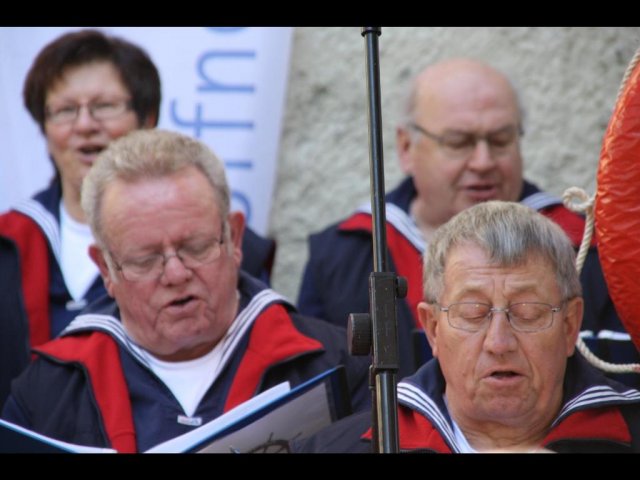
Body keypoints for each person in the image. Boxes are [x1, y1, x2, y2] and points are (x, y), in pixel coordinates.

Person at [1, 129, 369, 452]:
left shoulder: (338, 367)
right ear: (106, 269)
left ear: (234, 237)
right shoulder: (47, 393)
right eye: (145, 259)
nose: (176, 274)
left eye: (195, 247)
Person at [297, 57, 636, 380]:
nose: (483, 161)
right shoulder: (343, 253)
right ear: (406, 147)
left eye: (500, 140)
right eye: (459, 142)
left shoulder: (589, 250)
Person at [0, 29, 275, 358]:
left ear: (148, 119)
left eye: (105, 106)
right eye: (65, 110)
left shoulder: (221, 250)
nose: (84, 125)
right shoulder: (8, 243)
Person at [294, 201, 640, 453]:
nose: (499, 343)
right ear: (433, 329)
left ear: (569, 325)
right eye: (473, 312)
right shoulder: (340, 447)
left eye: (528, 312)